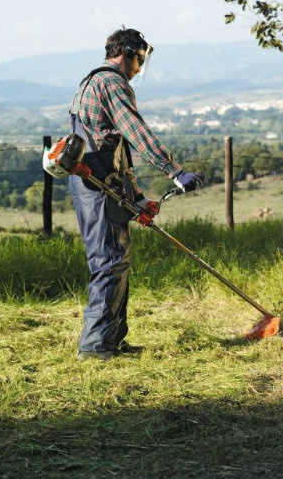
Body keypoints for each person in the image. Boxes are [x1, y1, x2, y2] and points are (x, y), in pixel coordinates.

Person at [68, 27, 202, 361]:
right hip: (96, 185)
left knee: (116, 259)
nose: (139, 69)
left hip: (100, 181)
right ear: (128, 52)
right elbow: (134, 130)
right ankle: (96, 347)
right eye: (139, 60)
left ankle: (111, 340)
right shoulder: (112, 83)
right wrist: (174, 171)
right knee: (109, 261)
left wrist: (137, 197)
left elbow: (114, 146)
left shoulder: (92, 82)